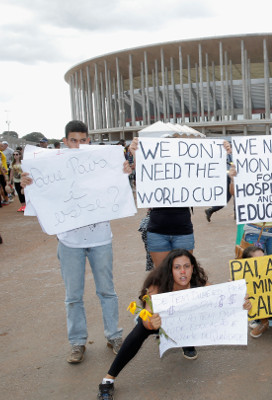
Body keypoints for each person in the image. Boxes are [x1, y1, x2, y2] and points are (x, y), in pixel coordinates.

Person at [21, 120, 126, 363]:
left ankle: (114, 335)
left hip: (101, 238)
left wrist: (124, 172)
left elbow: (118, 184)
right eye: (73, 140)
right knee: (73, 295)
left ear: (88, 140)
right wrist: (28, 184)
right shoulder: (50, 166)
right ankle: (77, 342)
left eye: (83, 140)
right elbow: (41, 195)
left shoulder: (102, 162)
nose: (78, 144)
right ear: (65, 141)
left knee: (107, 291)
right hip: (69, 242)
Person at [96, 249, 252, 400]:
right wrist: (151, 323)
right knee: (139, 330)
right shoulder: (156, 286)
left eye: (186, 266)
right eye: (177, 267)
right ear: (170, 270)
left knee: (200, 316)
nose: (182, 272)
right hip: (160, 323)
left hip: (185, 324)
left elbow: (222, 299)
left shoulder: (199, 284)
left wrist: (238, 297)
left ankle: (186, 343)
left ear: (193, 268)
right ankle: (108, 380)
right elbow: (147, 316)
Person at [128, 137, 194, 268]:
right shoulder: (155, 169)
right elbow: (143, 174)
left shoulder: (188, 170)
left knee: (184, 278)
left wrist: (220, 152)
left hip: (183, 231)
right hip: (157, 232)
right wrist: (136, 153)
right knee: (162, 277)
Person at [205, 140, 233, 223]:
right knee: (226, 199)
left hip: (233, 178)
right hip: (227, 178)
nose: (228, 147)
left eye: (228, 146)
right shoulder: (222, 156)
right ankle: (211, 210)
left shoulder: (231, 154)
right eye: (226, 146)